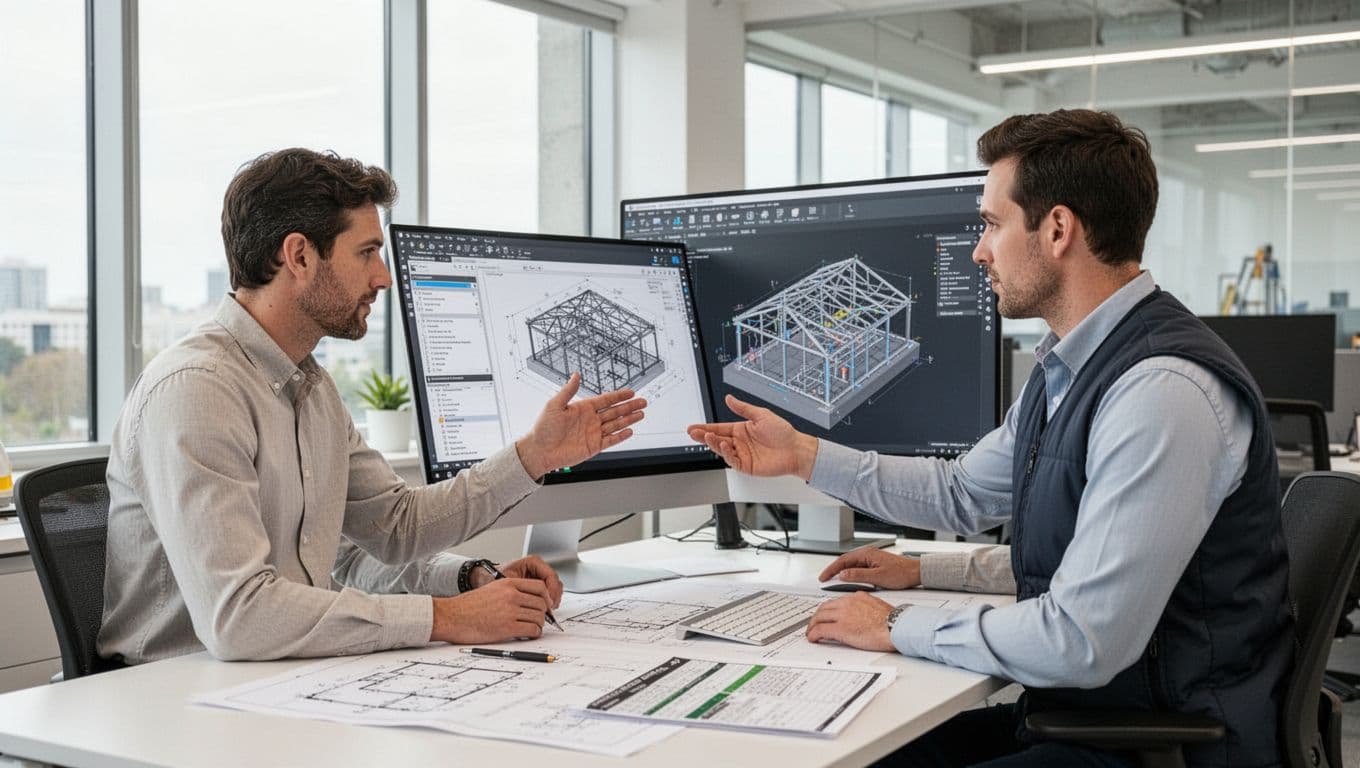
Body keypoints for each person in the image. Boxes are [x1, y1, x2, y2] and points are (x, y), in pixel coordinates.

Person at [688, 109, 1292, 768]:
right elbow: (963, 493)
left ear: (1058, 229)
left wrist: (894, 625)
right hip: (1088, 716)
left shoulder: (1161, 393)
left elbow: (1082, 636)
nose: (980, 250)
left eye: (992, 224)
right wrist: (806, 457)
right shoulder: (1074, 366)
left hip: (1153, 743)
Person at [99, 148, 646, 665]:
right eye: (366, 253)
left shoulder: (310, 390)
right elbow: (240, 616)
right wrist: (446, 618)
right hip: (174, 699)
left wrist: (531, 462)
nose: (383, 277)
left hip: (273, 682)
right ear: (298, 256)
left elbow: (394, 529)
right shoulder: (197, 391)